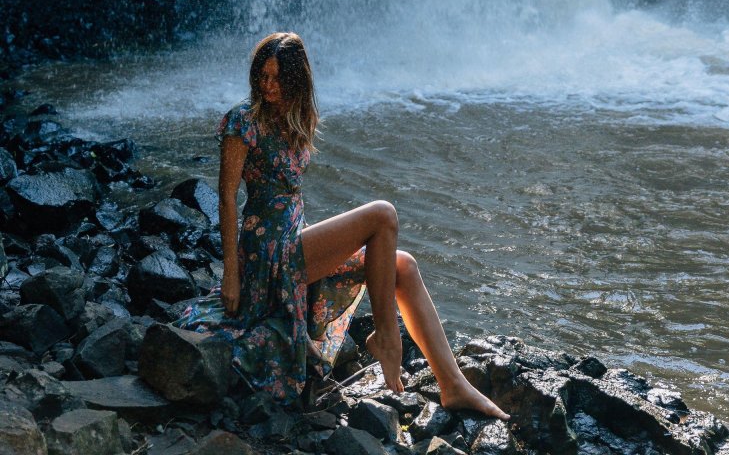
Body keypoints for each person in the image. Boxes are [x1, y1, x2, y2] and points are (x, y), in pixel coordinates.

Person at [179, 31, 508, 417]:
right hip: (267, 256)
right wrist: (231, 273)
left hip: (294, 244)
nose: (268, 85)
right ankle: (385, 336)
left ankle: (454, 386)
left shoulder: (296, 119)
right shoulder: (243, 121)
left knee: (404, 265)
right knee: (383, 214)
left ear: (296, 80)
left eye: (277, 77)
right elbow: (226, 198)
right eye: (262, 76)